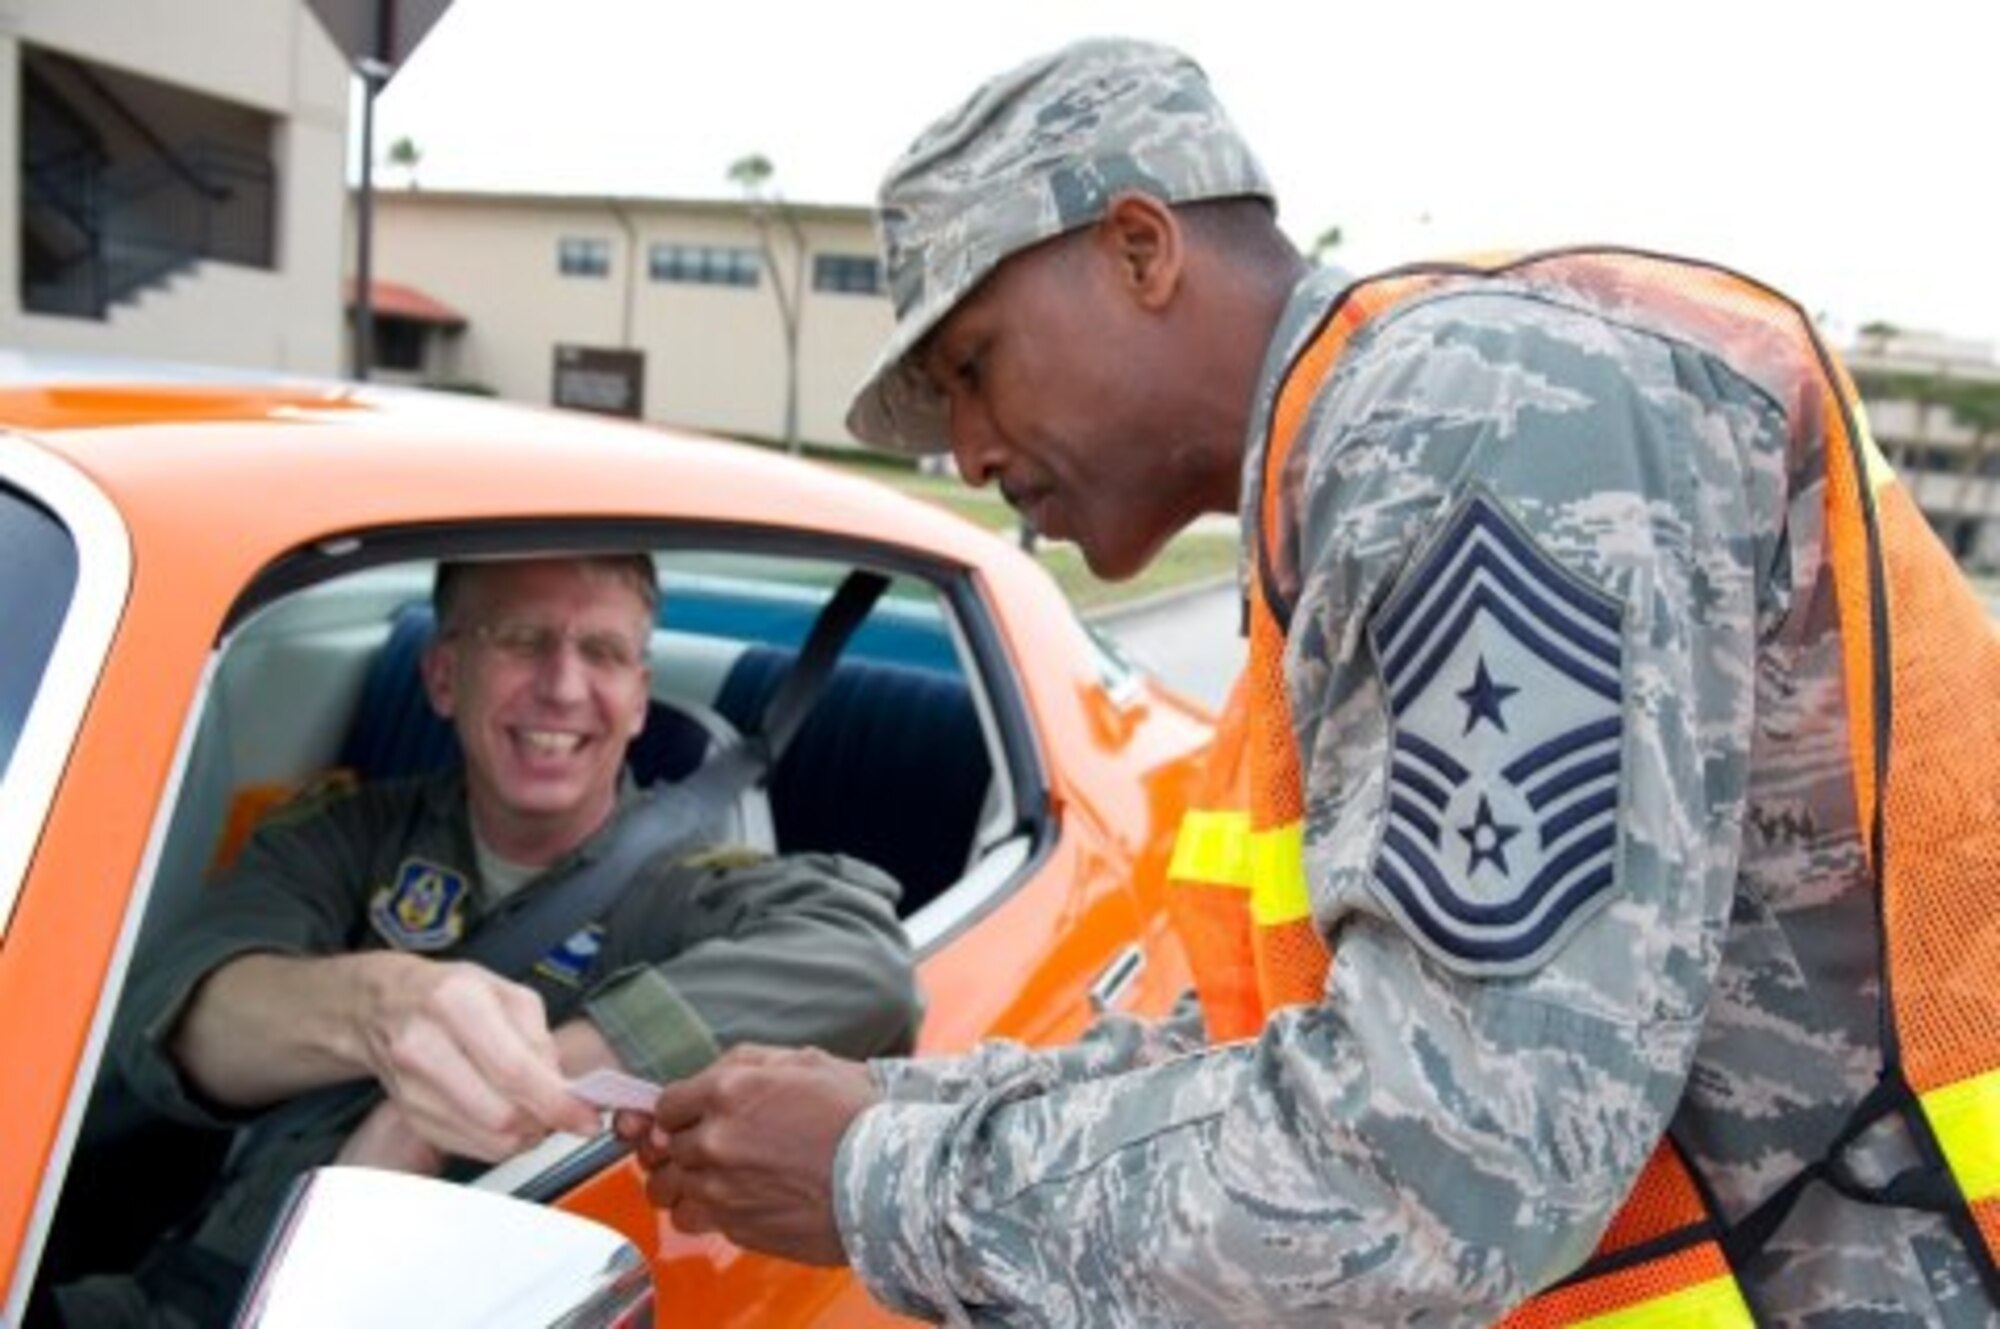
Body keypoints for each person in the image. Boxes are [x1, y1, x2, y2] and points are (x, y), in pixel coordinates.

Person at [617, 36, 2000, 1326]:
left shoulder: (1479, 425)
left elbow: (1448, 1159)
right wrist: (890, 1100)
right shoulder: (1343, 503)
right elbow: (1264, 1037)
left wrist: (878, 1179)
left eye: (974, 367)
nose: (969, 452)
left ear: (1141, 248)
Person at [48, 552, 922, 1326]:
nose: (564, 685)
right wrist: (384, 1012)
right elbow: (169, 1019)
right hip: (178, 1285)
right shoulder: (347, 833)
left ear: (639, 700)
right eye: (521, 639)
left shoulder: (685, 888)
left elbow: (865, 957)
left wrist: (496, 1082)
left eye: (605, 652)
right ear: (442, 674)